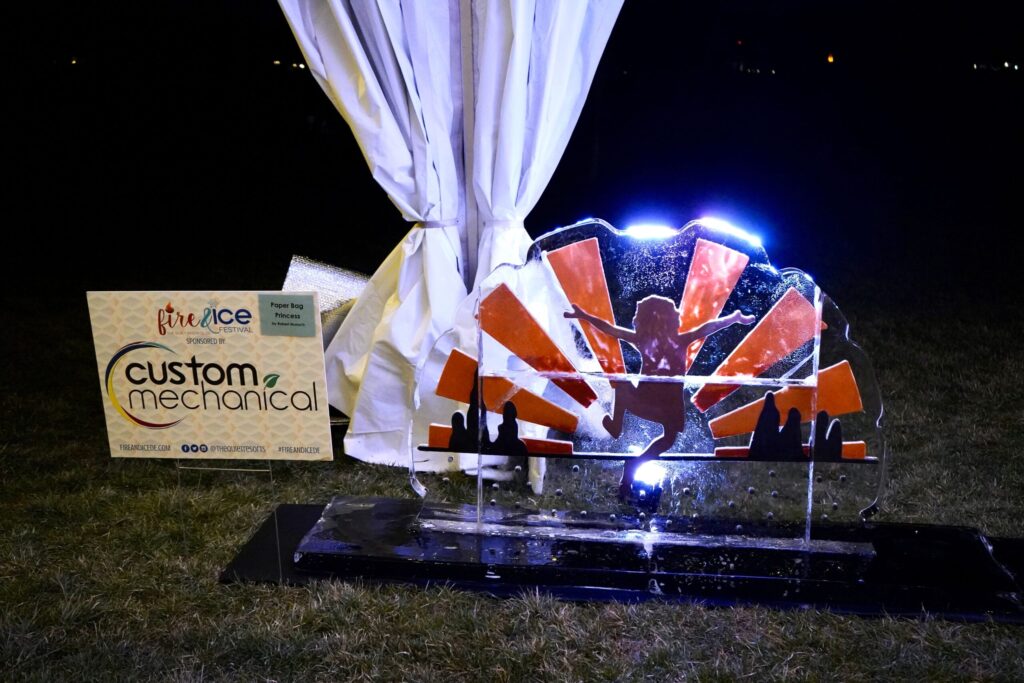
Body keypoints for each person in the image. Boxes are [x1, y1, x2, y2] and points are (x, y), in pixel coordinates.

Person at [565, 296, 755, 496]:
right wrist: (584, 316)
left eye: (638, 317)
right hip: (655, 402)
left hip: (662, 404)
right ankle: (618, 431)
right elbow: (611, 330)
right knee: (631, 394)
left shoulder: (667, 341)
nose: (635, 321)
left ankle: (630, 464)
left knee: (667, 437)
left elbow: (708, 328)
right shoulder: (660, 341)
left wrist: (734, 318)